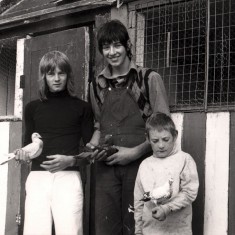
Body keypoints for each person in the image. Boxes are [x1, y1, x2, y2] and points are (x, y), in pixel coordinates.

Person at [88, 19, 170, 235]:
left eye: (117, 45)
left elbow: (163, 131)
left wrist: (134, 153)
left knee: (140, 226)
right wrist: (92, 146)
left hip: (142, 166)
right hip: (106, 170)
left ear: (127, 46)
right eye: (106, 47)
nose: (112, 52)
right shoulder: (96, 85)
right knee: (106, 227)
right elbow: (99, 125)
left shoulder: (148, 79)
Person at [14, 51, 94, 235]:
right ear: (44, 76)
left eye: (61, 73)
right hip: (37, 179)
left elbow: (91, 154)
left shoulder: (82, 107)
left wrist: (71, 160)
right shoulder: (32, 108)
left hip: (68, 178)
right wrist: (23, 154)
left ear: (68, 75)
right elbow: (30, 144)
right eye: (51, 74)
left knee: (70, 231)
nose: (56, 79)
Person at [134, 113, 199, 235]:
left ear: (175, 136)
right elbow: (139, 202)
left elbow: (190, 192)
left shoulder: (185, 160)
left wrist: (167, 208)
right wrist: (138, 230)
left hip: (178, 230)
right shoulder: (144, 165)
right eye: (155, 140)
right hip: (150, 231)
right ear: (147, 139)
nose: (161, 145)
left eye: (165, 139)